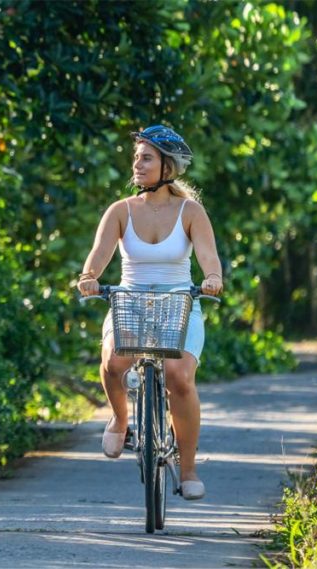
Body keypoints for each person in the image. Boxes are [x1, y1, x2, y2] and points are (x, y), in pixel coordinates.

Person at [77, 125, 223, 500]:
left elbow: (209, 257)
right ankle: (121, 419)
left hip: (179, 303)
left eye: (146, 158)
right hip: (131, 301)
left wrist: (212, 278)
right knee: (114, 362)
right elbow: (98, 255)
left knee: (179, 376)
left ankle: (188, 469)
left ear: (167, 167)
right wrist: (89, 277)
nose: (137, 165)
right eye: (136, 158)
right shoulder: (120, 211)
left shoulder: (191, 211)